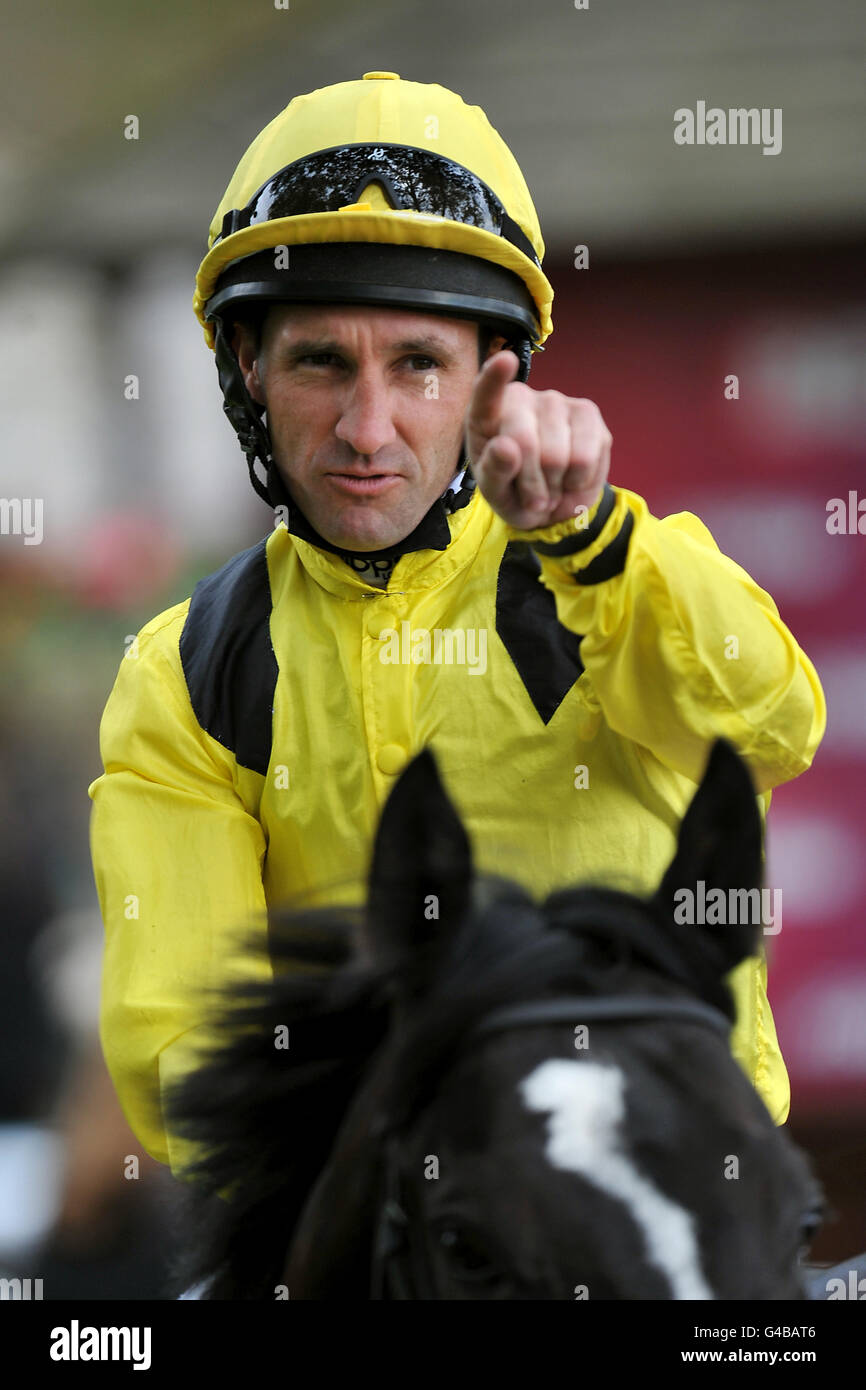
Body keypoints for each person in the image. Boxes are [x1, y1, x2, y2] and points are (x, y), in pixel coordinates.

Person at [88, 71, 826, 1173]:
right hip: (380, 1225)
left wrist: (586, 541)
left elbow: (773, 730)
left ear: (497, 375)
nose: (365, 427)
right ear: (249, 368)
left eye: (417, 366)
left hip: (661, 1210)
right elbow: (194, 1056)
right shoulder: (185, 675)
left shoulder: (617, 564)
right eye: (319, 362)